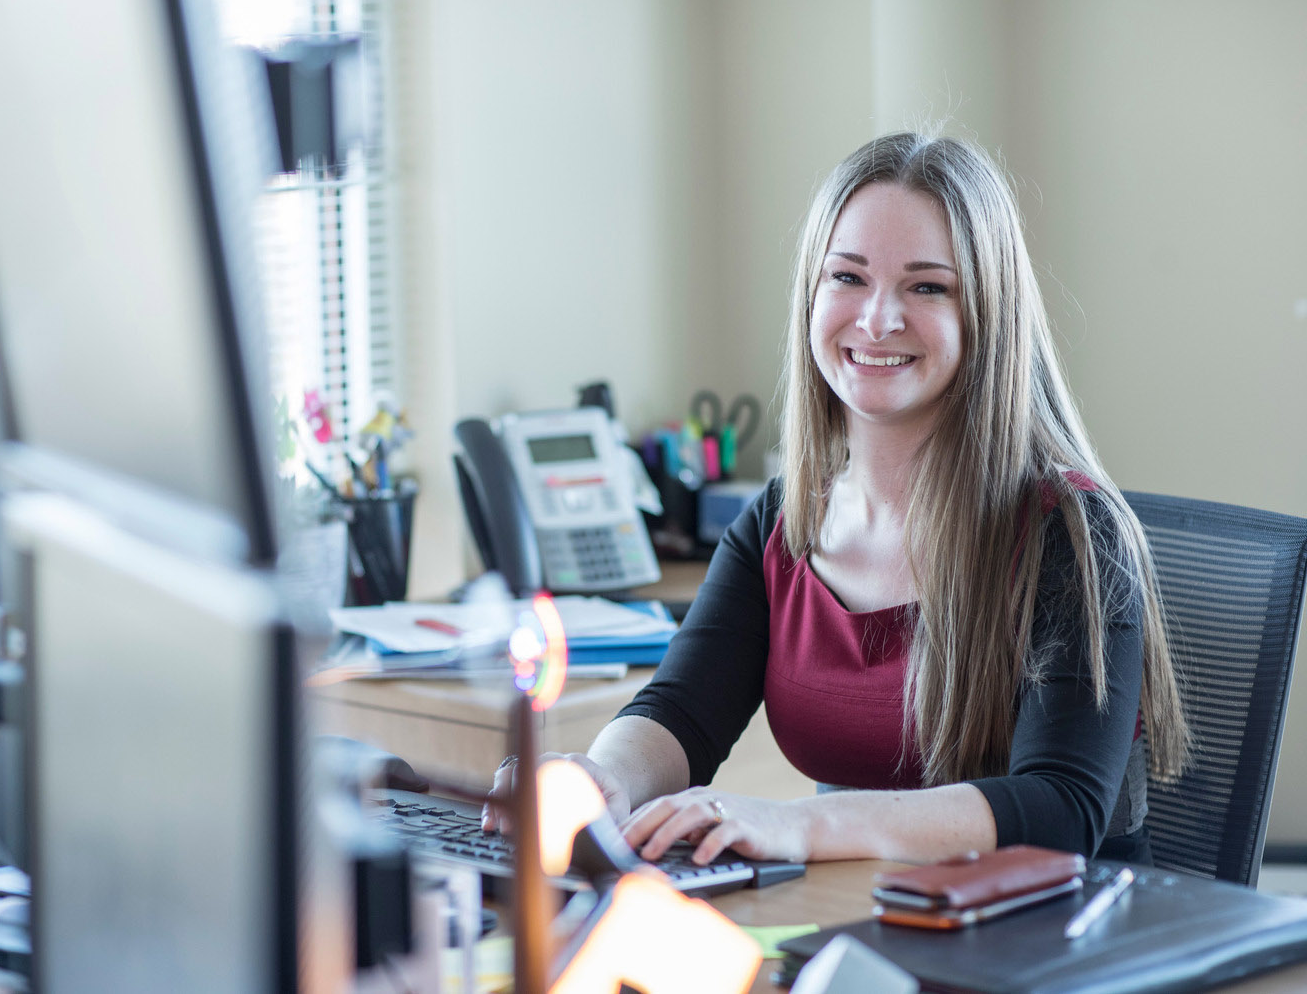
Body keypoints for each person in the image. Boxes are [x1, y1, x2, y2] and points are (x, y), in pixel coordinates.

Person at [485, 132, 1189, 867]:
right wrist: (600, 777)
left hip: (1052, 941)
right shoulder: (784, 523)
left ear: (988, 315)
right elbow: (682, 711)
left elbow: (1059, 809)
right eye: (847, 277)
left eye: (928, 286)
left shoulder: (1070, 534)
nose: (878, 318)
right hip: (867, 920)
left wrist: (802, 824)